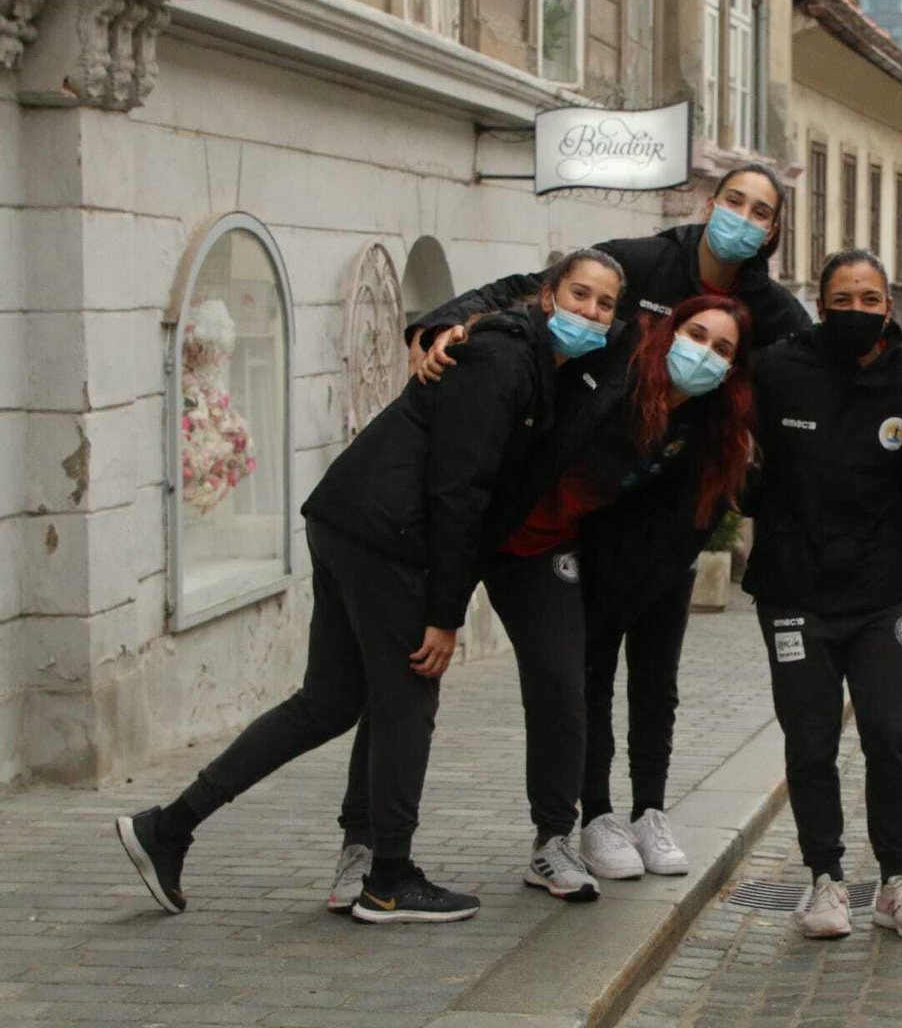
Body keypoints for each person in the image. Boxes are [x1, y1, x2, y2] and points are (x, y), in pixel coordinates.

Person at [113, 251, 617, 925]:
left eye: (604, 304)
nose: (590, 310)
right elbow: (456, 490)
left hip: (351, 521)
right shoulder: (503, 362)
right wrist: (444, 613)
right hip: (389, 537)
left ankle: (167, 827)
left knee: (327, 702)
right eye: (578, 294)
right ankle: (388, 878)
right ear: (547, 297)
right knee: (409, 701)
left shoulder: (527, 363)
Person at [406, 164, 811, 886]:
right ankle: (591, 815)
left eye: (762, 211)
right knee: (585, 669)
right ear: (711, 204)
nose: (744, 219)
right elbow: (534, 289)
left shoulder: (772, 310)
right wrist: (446, 320)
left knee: (658, 677)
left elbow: (818, 380)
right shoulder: (645, 259)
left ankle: (649, 808)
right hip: (598, 514)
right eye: (735, 202)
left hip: (682, 517)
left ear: (773, 230)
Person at [341, 288, 756, 906]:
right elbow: (524, 300)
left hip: (544, 552)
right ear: (668, 329)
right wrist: (449, 322)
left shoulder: (700, 426)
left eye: (721, 348)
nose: (703, 354)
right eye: (696, 335)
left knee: (564, 686)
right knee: (399, 684)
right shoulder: (616, 364)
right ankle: (362, 846)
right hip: (469, 528)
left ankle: (554, 840)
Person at [742, 248, 902, 942]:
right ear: (820, 301)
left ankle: (894, 882)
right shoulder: (778, 369)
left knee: (892, 736)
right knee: (810, 741)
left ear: (889, 307)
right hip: (793, 591)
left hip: (881, 593)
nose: (857, 311)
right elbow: (731, 450)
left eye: (871, 299)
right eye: (843, 299)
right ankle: (824, 881)